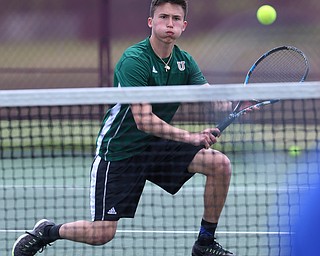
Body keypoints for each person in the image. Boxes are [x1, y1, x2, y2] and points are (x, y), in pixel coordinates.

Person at [12, 0, 235, 255]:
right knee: (101, 234)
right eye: (163, 17)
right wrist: (191, 137)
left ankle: (204, 243)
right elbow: (144, 120)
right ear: (151, 22)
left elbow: (210, 93)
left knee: (220, 165)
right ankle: (48, 231)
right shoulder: (134, 60)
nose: (169, 24)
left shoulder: (184, 61)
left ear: (184, 26)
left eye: (175, 19)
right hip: (121, 151)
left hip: (155, 146)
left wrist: (231, 99)